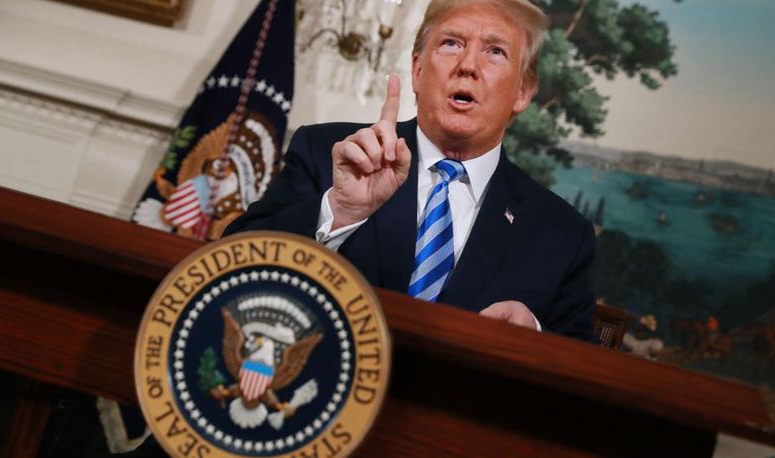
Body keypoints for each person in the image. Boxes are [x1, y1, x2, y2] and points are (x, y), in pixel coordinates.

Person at [225, 0, 597, 342]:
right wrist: (339, 211)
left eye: (495, 52)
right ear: (418, 71)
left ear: (523, 92)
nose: (467, 65)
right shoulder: (330, 154)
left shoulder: (562, 234)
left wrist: (533, 336)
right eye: (451, 43)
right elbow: (228, 266)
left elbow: (585, 372)